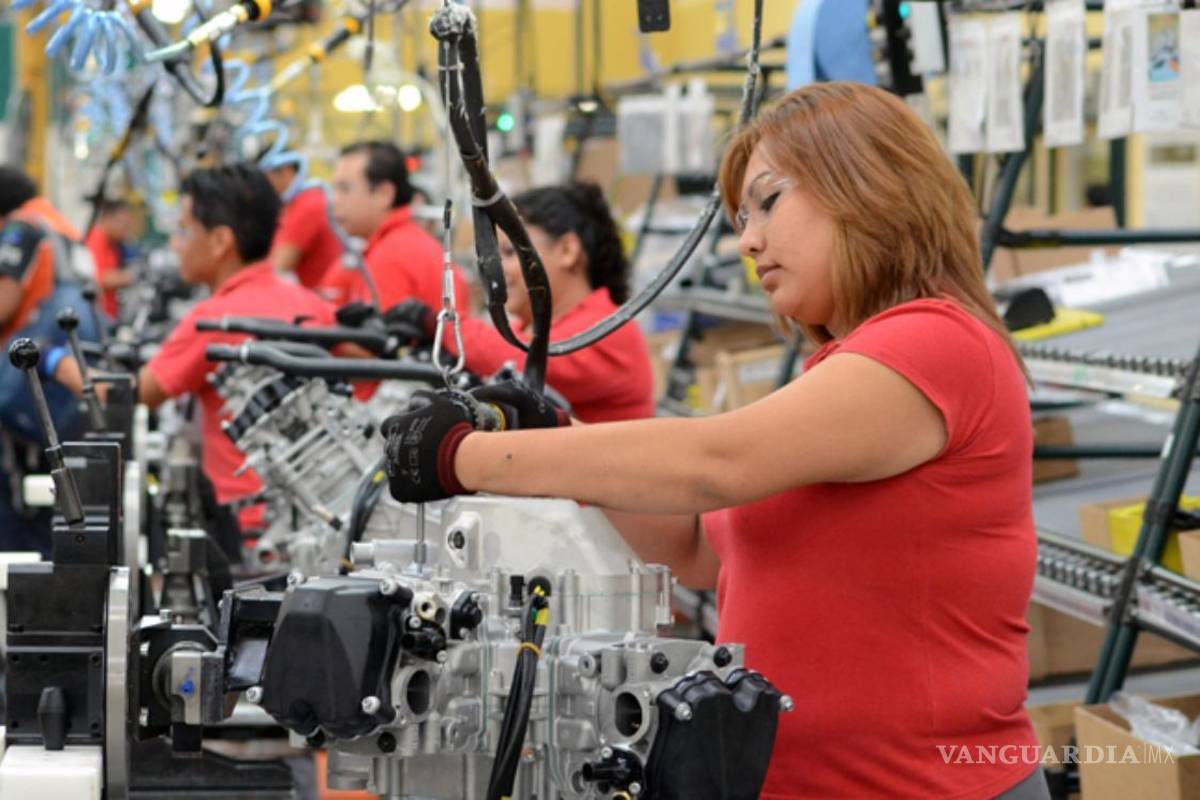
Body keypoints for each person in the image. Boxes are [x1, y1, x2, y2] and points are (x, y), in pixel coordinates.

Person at [380, 83, 1049, 800]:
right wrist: (560, 442)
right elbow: (695, 549)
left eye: (769, 201)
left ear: (869, 183)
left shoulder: (937, 342)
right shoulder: (846, 369)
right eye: (740, 216)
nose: (749, 238)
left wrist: (464, 458)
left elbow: (714, 463)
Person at [52, 164, 334, 532]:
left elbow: (126, 393)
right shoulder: (312, 305)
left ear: (219, 241)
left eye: (184, 230)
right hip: (319, 518)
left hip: (246, 530)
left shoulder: (215, 320)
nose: (175, 244)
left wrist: (52, 360)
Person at [390, 182, 654, 423]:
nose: (496, 268)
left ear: (566, 251)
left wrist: (439, 325)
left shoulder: (607, 329)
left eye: (508, 253)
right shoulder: (529, 328)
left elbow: (524, 359)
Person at [0, 166, 101, 553]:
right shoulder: (62, 228)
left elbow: (6, 298)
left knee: (17, 499)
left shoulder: (21, 227)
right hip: (64, 379)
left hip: (26, 379)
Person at [323, 141, 469, 311]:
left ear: (384, 194)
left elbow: (379, 336)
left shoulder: (390, 257)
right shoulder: (407, 244)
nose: (334, 201)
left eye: (344, 189)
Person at [263, 160, 345, 290]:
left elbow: (276, 267)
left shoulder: (306, 206)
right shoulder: (307, 199)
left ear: (286, 170)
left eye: (264, 178)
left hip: (322, 300)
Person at [84, 197, 137, 318]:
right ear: (108, 219)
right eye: (123, 223)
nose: (127, 229)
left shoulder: (113, 244)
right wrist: (131, 277)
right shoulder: (96, 239)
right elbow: (99, 279)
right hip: (98, 316)